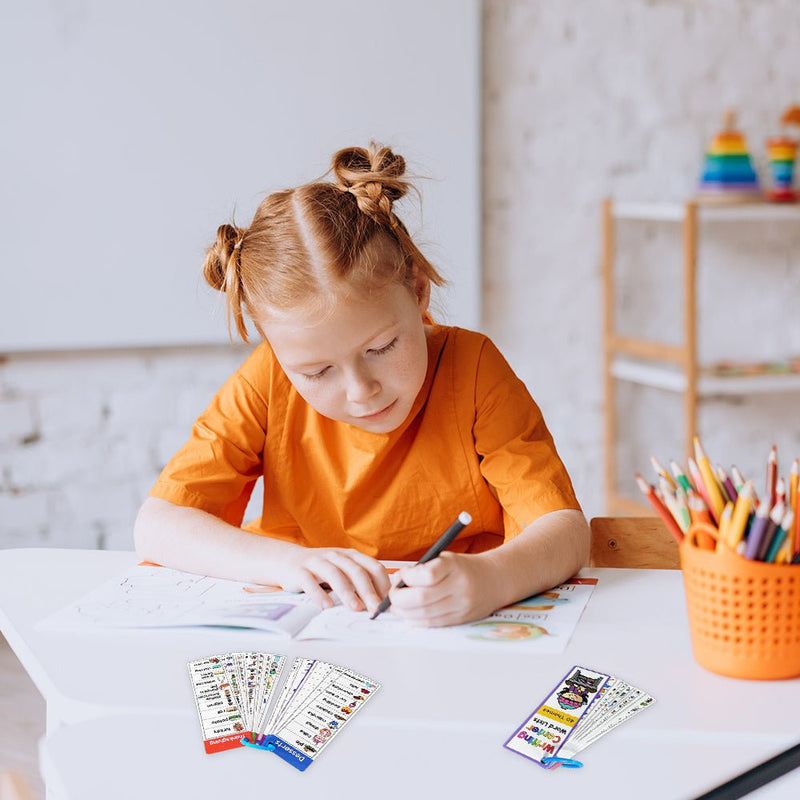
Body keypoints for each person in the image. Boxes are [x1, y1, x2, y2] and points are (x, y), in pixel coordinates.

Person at [134, 144, 589, 627]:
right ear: (276, 349)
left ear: (418, 293)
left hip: (452, 625)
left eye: (381, 348)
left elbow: (564, 531)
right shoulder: (267, 378)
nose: (360, 391)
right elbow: (159, 526)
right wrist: (291, 563)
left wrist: (491, 579)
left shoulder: (472, 369)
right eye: (316, 373)